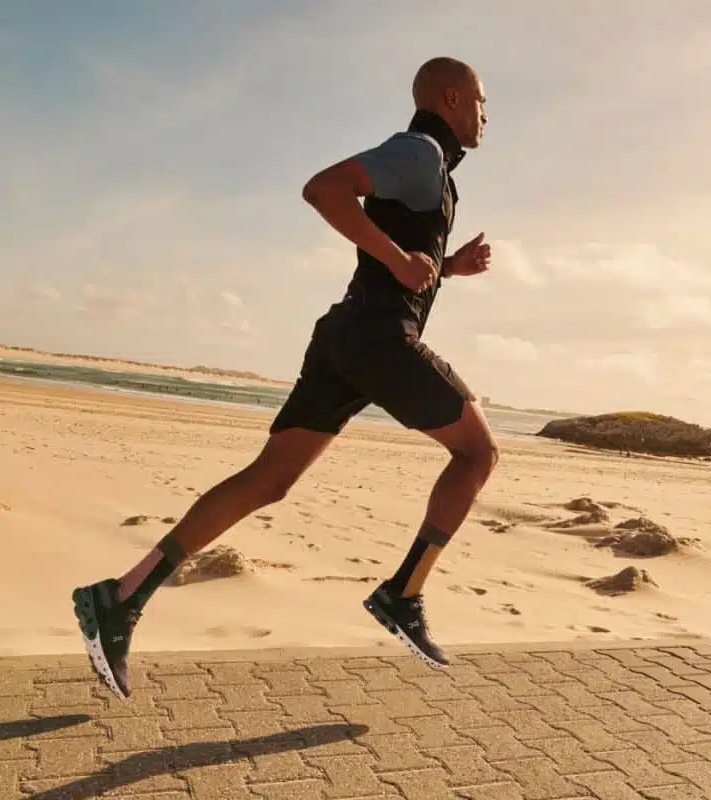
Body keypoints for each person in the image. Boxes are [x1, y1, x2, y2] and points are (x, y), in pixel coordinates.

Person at [72, 56, 496, 699]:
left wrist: (444, 266)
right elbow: (323, 189)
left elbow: (401, 259)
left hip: (347, 336)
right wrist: (398, 259)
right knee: (478, 452)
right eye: (482, 103)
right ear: (451, 97)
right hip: (378, 340)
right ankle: (402, 594)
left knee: (268, 480)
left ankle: (120, 597)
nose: (487, 116)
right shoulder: (421, 151)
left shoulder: (430, 167)